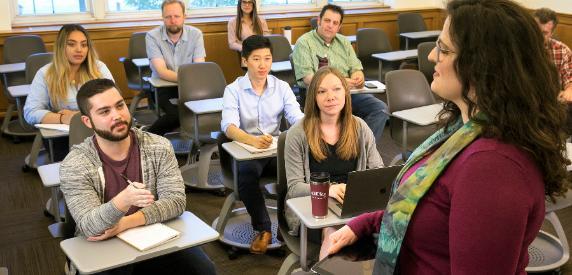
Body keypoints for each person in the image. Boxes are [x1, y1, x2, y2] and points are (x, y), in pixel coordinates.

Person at [322, 0, 570, 274]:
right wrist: (365, 224)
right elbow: (428, 213)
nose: (431, 56)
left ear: (482, 63)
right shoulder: (464, 132)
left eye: (445, 49)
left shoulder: (492, 167)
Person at [59, 79, 216, 275]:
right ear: (87, 121)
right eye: (104, 111)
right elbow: (90, 226)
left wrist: (125, 222)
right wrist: (122, 202)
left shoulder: (158, 146)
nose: (117, 116)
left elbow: (176, 202)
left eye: (119, 105)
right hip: (102, 245)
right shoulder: (75, 164)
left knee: (205, 271)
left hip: (150, 232)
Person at [284, 66, 384, 257]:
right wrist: (328, 189)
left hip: (353, 206)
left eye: (337, 89)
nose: (330, 97)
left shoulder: (360, 127)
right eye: (322, 91)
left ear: (345, 93)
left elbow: (378, 173)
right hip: (313, 210)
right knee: (334, 231)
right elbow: (295, 188)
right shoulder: (297, 134)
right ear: (313, 97)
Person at [221, 35, 304, 254]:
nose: (262, 65)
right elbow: (229, 127)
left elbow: (297, 118)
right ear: (244, 61)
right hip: (245, 151)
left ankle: (287, 228)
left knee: (296, 173)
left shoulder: (282, 86)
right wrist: (253, 140)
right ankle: (264, 229)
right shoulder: (233, 89)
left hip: (274, 150)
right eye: (256, 59)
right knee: (247, 174)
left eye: (267, 59)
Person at [292, 4, 389, 142]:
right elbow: (308, 78)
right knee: (336, 117)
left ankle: (361, 151)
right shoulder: (304, 43)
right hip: (319, 96)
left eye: (335, 23)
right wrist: (341, 82)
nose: (330, 25)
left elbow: (356, 67)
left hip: (349, 94)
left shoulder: (344, 42)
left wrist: (358, 76)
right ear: (319, 21)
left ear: (339, 26)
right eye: (327, 21)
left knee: (380, 109)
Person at [24, 24, 114, 162]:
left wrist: (77, 117)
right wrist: (64, 119)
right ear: (61, 47)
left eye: (84, 45)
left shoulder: (99, 68)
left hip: (99, 130)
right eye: (71, 44)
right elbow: (31, 112)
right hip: (62, 135)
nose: (79, 49)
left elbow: (113, 101)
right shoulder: (45, 74)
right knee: (75, 169)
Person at [146, 0, 206, 136]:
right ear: (162, 17)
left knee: (202, 110)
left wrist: (189, 82)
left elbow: (199, 68)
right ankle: (146, 139)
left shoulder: (196, 34)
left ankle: (195, 140)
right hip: (162, 87)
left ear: (184, 16)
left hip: (191, 86)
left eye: (177, 16)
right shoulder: (152, 36)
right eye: (168, 17)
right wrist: (188, 80)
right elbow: (161, 72)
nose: (173, 20)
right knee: (176, 115)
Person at [533, 8, 572, 133]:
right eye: (535, 31)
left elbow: (569, 80)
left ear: (552, 32)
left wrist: (568, 91)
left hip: (553, 103)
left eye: (544, 33)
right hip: (527, 101)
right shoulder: (519, 47)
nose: (538, 36)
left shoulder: (562, 50)